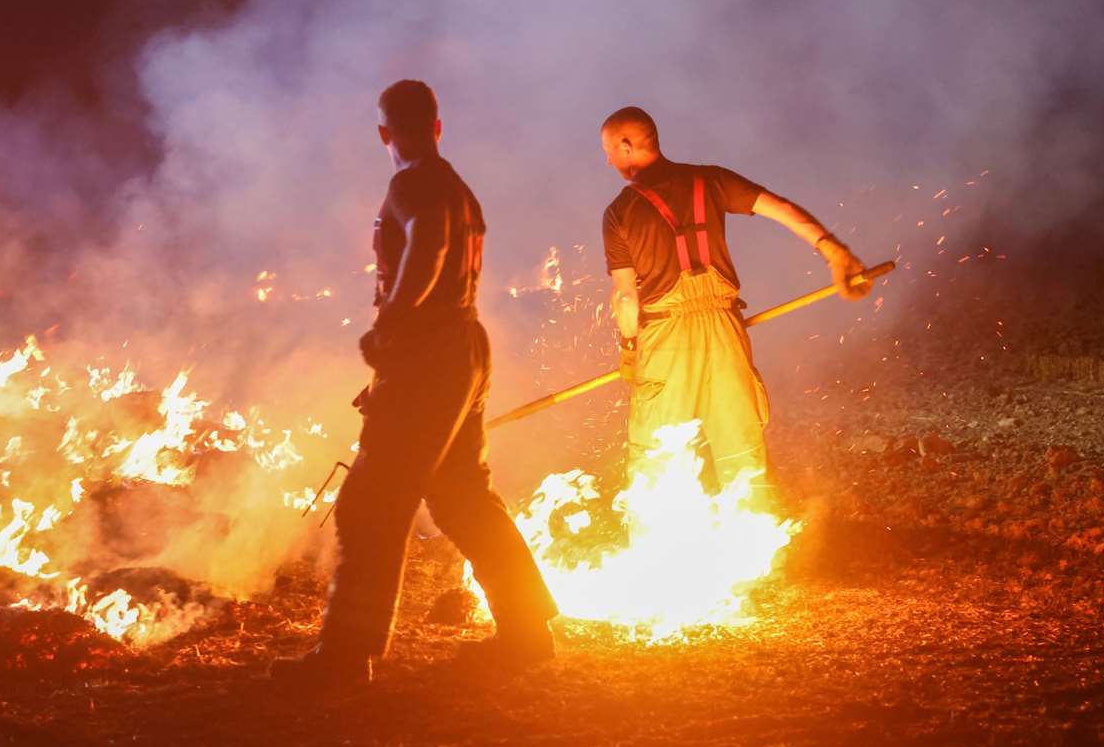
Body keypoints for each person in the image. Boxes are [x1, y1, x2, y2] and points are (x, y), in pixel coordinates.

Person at [273, 80, 559, 691]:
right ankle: (528, 629)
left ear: (385, 133)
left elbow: (426, 247)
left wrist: (393, 330)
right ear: (437, 124)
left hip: (429, 352)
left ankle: (346, 657)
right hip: (464, 346)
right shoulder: (459, 188)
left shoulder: (414, 184)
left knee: (370, 504)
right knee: (461, 495)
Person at [599, 106, 871, 504]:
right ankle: (760, 544)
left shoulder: (618, 212)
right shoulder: (710, 180)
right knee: (741, 448)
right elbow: (782, 209)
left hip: (664, 337)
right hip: (725, 330)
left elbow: (625, 297)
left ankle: (659, 550)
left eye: (608, 150)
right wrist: (835, 252)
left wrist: (628, 349)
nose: (608, 160)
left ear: (626, 145)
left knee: (658, 454)